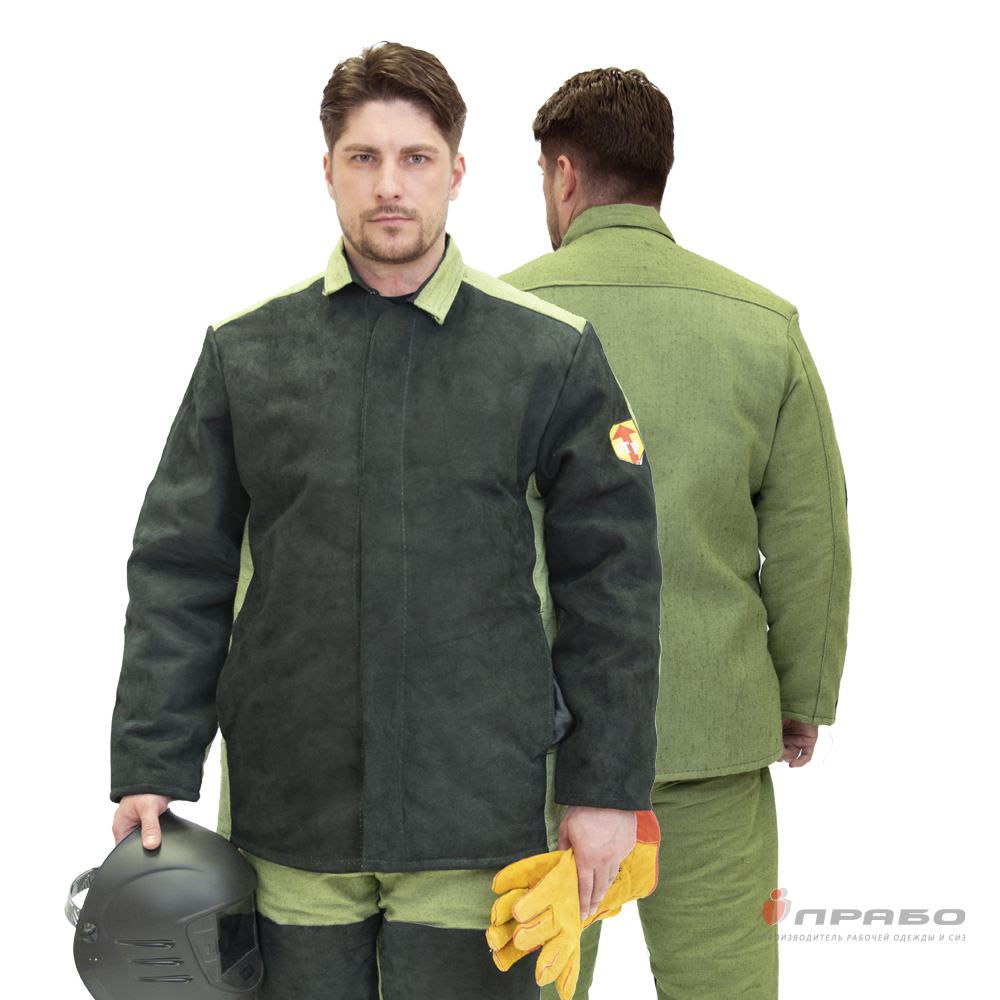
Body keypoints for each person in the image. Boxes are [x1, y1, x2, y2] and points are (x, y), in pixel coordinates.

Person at [107, 44, 663, 1000]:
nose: (389, 185)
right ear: (327, 170)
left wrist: (606, 788)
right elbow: (179, 569)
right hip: (293, 818)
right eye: (363, 158)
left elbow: (613, 581)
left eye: (415, 157)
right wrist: (150, 764)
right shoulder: (248, 353)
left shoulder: (548, 354)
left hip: (477, 814)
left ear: (457, 170)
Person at [501, 67, 851, 999]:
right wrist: (799, 692)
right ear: (660, 172)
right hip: (711, 731)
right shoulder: (763, 327)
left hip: (532, 747)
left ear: (563, 175)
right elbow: (811, 537)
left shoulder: (493, 323)